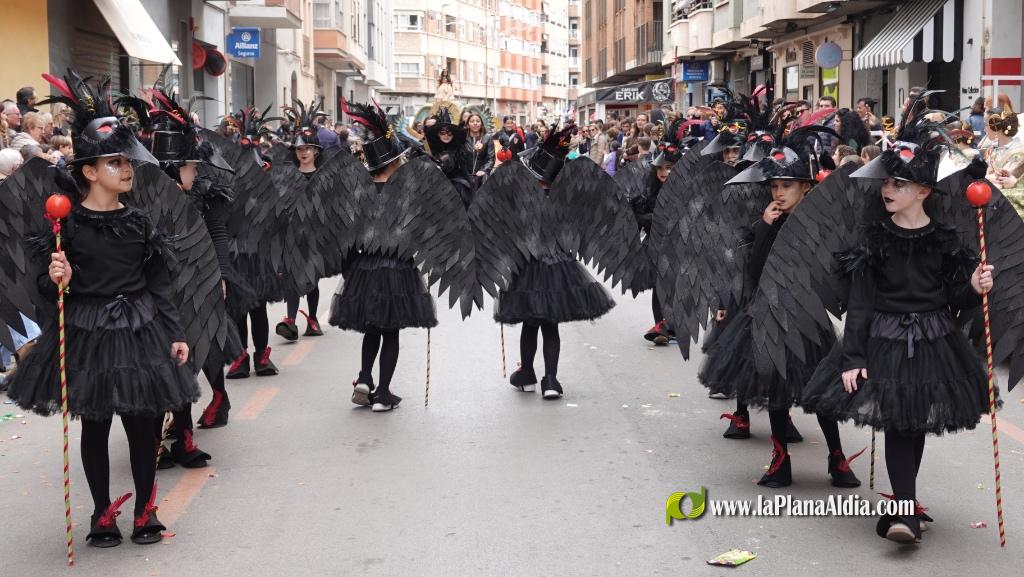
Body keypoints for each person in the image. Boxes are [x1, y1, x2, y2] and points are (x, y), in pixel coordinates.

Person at [6, 70, 199, 547]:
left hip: (140, 328)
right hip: (88, 328)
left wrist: (176, 332)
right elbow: (45, 291)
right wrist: (60, 278)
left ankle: (145, 509)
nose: (127, 169)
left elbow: (159, 284)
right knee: (95, 423)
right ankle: (101, 512)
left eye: (127, 161)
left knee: (143, 422)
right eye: (115, 162)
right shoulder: (65, 226)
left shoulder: (141, 223)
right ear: (89, 172)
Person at [799, 118, 997, 544]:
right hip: (885, 340)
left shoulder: (943, 238)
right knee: (899, 423)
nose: (888, 189)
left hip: (934, 340)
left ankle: (904, 504)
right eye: (887, 182)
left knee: (913, 421)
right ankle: (904, 511)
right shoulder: (874, 239)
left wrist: (974, 286)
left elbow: (953, 298)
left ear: (923, 191)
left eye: (899, 184)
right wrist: (853, 357)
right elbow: (860, 304)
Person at [706, 125, 859, 490]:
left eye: (786, 185)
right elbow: (754, 271)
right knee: (775, 389)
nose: (778, 193)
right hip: (768, 316)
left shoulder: (820, 225)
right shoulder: (767, 221)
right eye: (774, 186)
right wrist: (764, 227)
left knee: (820, 390)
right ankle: (780, 459)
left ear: (805, 187)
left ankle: (837, 458)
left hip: (808, 319)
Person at [330, 100, 434, 412]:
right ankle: (383, 394)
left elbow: (347, 233)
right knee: (390, 331)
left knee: (372, 327)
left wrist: (350, 269)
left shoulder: (359, 191)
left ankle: (365, 377)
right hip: (398, 267)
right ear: (394, 162)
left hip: (365, 266)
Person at [276, 100, 330, 341]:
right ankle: (290, 320)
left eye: (308, 148)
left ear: (316, 150)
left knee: (311, 279)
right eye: (299, 149)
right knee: (291, 276)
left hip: (316, 236)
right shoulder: (287, 175)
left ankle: (313, 318)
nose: (304, 152)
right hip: (291, 235)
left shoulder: (324, 176)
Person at [983, 105, 1024, 217]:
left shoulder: (1018, 152)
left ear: (995, 125)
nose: (984, 129)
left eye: (986, 124)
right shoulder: (992, 149)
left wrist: (985, 177)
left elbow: (1001, 181)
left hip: (1009, 211)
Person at [462, 111, 494, 190]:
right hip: (465, 177)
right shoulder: (463, 138)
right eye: (472, 121)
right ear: (468, 125)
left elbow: (490, 158)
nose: (475, 123)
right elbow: (460, 157)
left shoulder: (487, 138)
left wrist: (484, 170)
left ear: (481, 124)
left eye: (478, 121)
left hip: (481, 177)